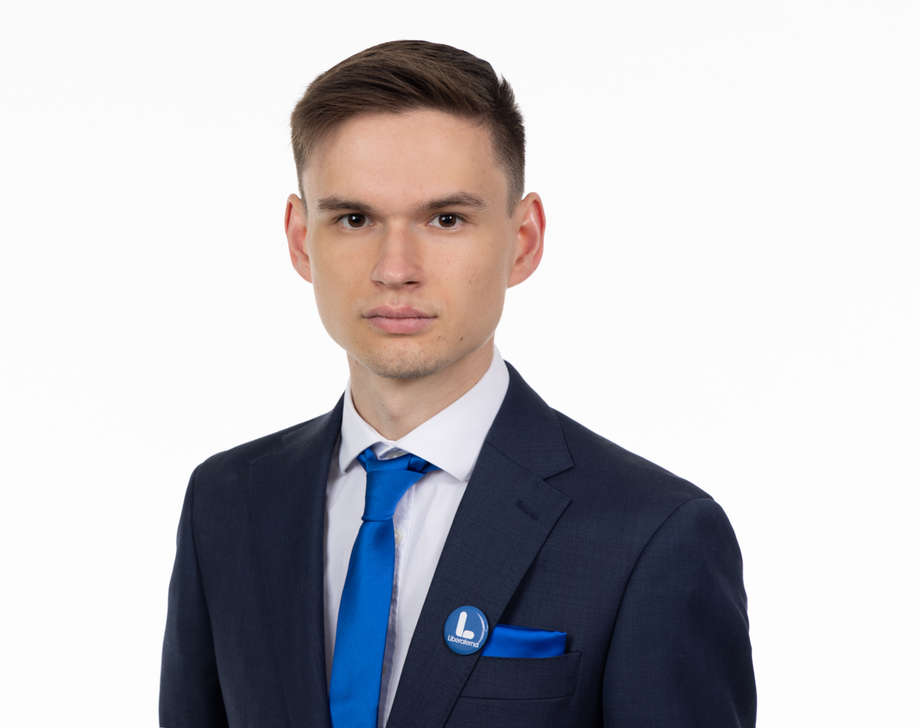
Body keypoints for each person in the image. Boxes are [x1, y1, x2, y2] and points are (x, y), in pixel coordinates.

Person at [159, 39, 756, 728]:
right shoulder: (227, 502)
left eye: (446, 219)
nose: (395, 269)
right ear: (301, 239)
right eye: (354, 219)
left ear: (523, 239)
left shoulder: (653, 534)